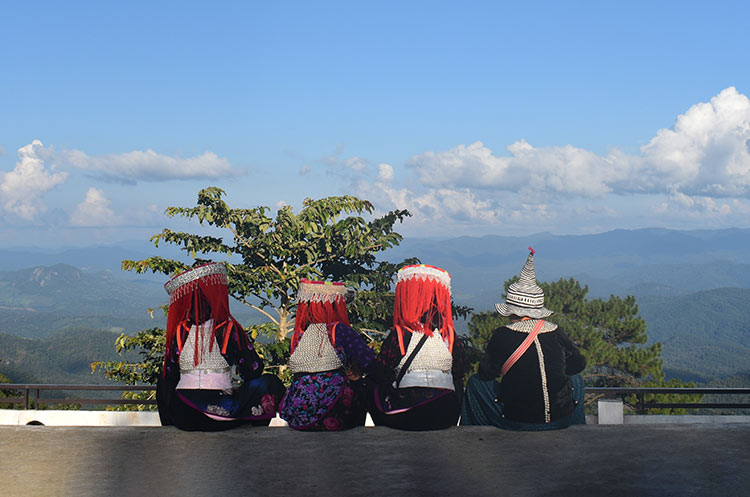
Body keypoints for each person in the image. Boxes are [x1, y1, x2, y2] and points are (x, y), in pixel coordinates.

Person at [461, 248, 586, 430]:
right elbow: (578, 365)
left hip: (517, 420)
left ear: (511, 310)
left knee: (475, 383)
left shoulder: (502, 335)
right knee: (576, 380)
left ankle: (476, 434)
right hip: (561, 418)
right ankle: (577, 427)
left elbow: (485, 373)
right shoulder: (555, 331)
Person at [156, 262, 285, 431]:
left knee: (163, 380)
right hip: (217, 415)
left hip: (182, 413)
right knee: (269, 382)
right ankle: (255, 426)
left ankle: (168, 427)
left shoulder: (180, 330)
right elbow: (253, 370)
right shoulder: (227, 329)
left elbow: (171, 373)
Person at [368, 264, 467, 431]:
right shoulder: (448, 334)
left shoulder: (401, 334)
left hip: (408, 412)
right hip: (444, 412)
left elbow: (380, 371)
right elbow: (460, 369)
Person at [279, 279, 375, 431]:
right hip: (332, 410)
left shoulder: (299, 335)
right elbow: (369, 362)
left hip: (298, 413)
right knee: (366, 386)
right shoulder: (339, 330)